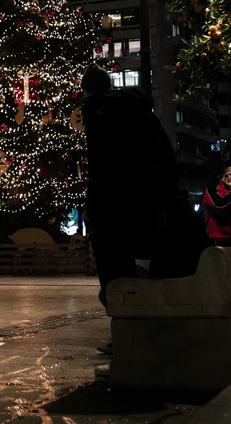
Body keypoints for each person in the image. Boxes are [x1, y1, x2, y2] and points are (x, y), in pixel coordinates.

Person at [80, 64, 178, 305]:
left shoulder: (98, 113)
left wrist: (92, 207)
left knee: (113, 270)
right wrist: (163, 201)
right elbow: (165, 157)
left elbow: (101, 167)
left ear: (86, 91)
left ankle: (125, 321)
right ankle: (139, 319)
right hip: (145, 204)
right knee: (139, 266)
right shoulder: (143, 112)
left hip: (112, 206)